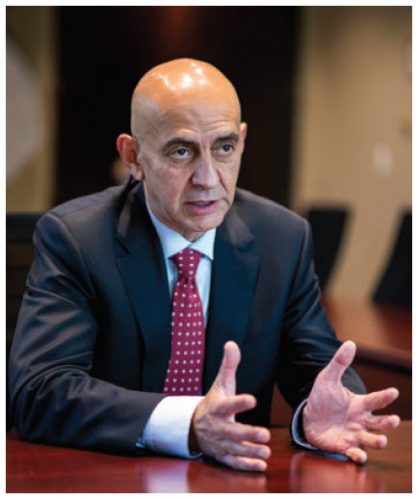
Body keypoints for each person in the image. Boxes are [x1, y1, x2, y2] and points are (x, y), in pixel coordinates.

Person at [9, 58, 400, 473]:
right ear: (133, 156)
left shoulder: (281, 239)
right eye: (181, 152)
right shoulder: (77, 239)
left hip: (234, 479)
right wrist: (188, 423)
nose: (208, 178)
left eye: (224, 148)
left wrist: (322, 410)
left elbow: (315, 367)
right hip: (107, 477)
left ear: (242, 141)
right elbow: (39, 393)